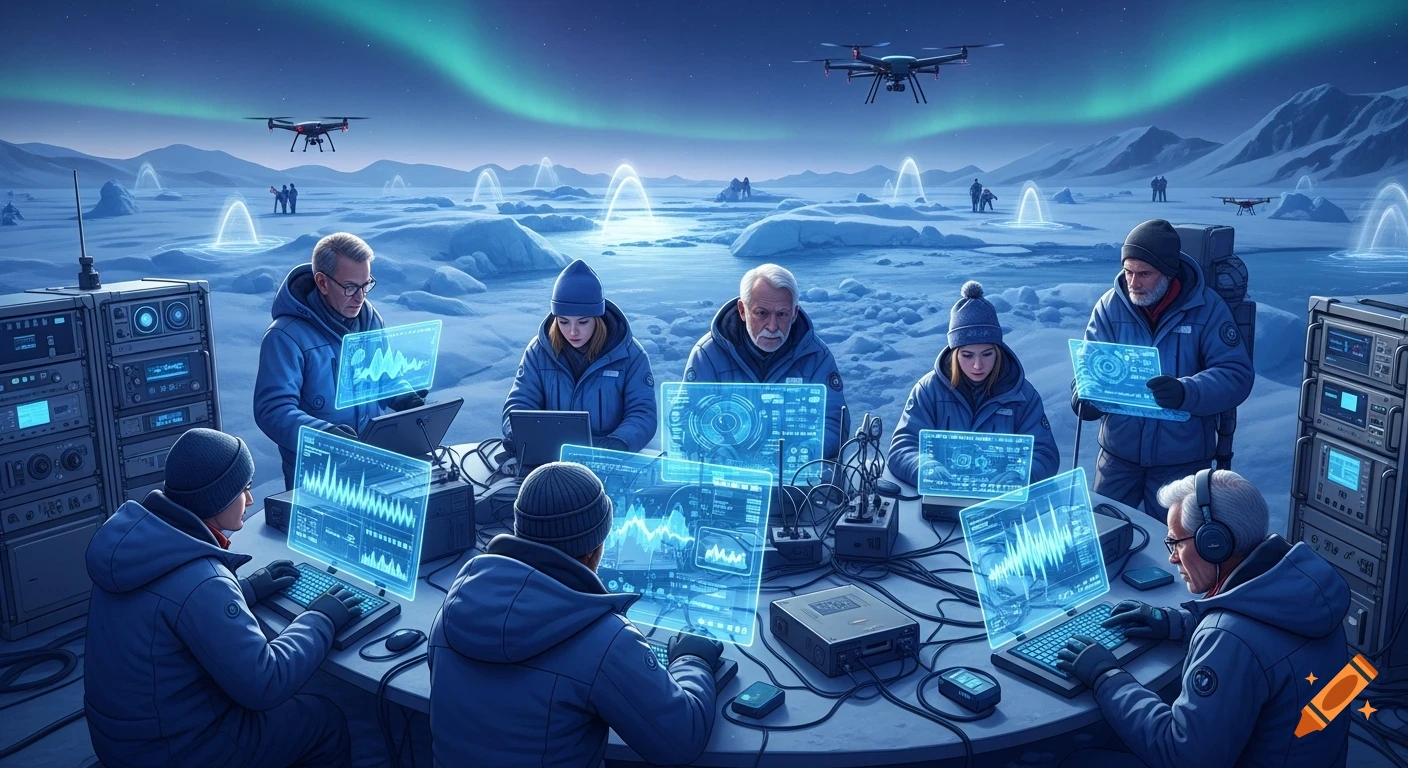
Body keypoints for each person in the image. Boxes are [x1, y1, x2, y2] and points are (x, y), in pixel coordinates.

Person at [84, 428, 365, 768]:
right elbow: (266, 684)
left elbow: (174, 612)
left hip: (124, 743)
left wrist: (247, 590)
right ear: (217, 499)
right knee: (323, 719)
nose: (250, 500)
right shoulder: (203, 581)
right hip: (179, 753)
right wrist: (321, 619)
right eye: (244, 489)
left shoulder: (135, 549)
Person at [428, 461, 720, 766]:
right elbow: (681, 741)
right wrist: (692, 660)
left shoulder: (454, 607)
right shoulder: (606, 640)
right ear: (594, 549)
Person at [1055, 470, 1350, 768]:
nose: (1171, 558)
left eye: (1176, 543)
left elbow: (1184, 757)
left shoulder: (1228, 638)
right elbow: (1265, 638)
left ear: (1214, 543)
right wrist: (1176, 623)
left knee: (1078, 758)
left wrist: (1107, 677)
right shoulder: (1311, 591)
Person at [1073, 219, 1253, 520]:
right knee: (1103, 532)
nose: (1133, 282)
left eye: (1144, 274)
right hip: (1117, 457)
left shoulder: (1207, 309)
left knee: (1174, 547)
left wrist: (1187, 391)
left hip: (1180, 462)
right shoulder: (1109, 307)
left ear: (1168, 272)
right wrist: (1084, 394)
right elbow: (1089, 365)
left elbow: (1236, 374)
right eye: (1128, 271)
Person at [254, 232, 423, 489]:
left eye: (366, 285)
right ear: (322, 282)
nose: (360, 297)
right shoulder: (285, 336)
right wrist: (324, 437)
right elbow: (272, 410)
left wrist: (402, 395)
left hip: (371, 463)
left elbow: (382, 374)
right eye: (350, 287)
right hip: (317, 477)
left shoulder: (370, 320)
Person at [889, 281, 1059, 487]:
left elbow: (1045, 453)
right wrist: (923, 467)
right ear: (954, 354)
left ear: (998, 351)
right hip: (941, 494)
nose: (978, 365)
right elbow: (902, 447)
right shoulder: (928, 391)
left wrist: (1022, 474)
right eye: (968, 355)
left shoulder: (1023, 396)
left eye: (987, 354)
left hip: (1002, 500)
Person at [685, 263, 850, 460]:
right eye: (761, 313)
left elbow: (833, 422)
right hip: (727, 476)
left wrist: (807, 451)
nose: (772, 326)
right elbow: (687, 418)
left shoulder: (816, 358)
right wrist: (715, 450)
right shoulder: (708, 355)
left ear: (794, 313)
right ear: (742, 311)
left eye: (782, 314)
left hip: (794, 476)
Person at [502, 259, 657, 455]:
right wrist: (516, 433)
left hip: (606, 457)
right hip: (549, 456)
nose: (573, 331)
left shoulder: (630, 356)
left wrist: (619, 443)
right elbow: (520, 403)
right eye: (564, 322)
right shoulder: (538, 352)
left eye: (582, 322)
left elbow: (642, 413)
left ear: (597, 319)